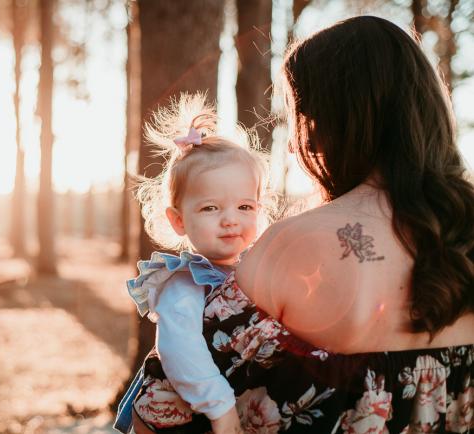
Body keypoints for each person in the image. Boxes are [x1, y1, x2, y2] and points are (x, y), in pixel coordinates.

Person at [130, 15, 474, 433]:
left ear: (332, 120)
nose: (293, 144)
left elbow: (161, 407)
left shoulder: (292, 245)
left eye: (298, 118)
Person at [116, 92, 271, 433]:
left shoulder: (257, 267)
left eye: (245, 207)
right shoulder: (188, 281)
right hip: (190, 413)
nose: (231, 220)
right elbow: (179, 349)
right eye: (211, 208)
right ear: (178, 220)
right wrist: (220, 407)